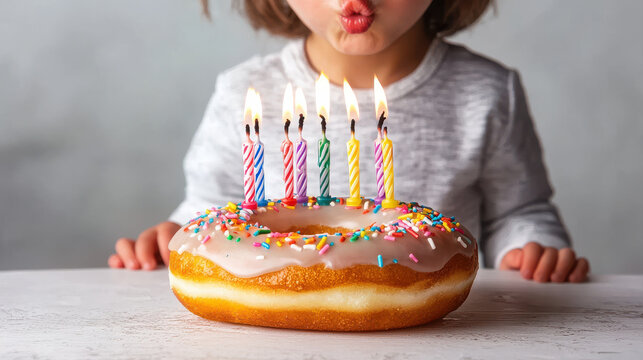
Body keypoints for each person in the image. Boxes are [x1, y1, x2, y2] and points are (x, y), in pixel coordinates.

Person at [108, 0, 589, 283]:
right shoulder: (245, 94)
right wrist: (172, 234)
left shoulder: (486, 94)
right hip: (272, 332)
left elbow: (519, 212)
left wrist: (530, 249)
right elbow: (211, 207)